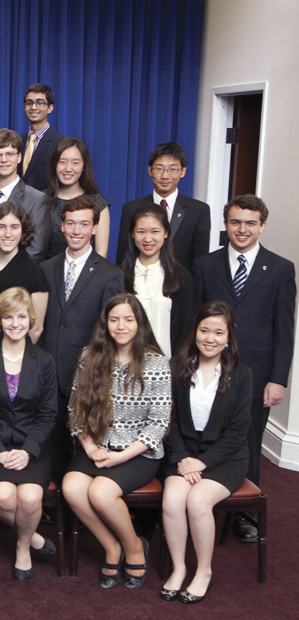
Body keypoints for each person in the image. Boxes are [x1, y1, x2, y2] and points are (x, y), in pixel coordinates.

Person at [193, 194, 296, 542]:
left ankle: (241, 513)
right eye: (236, 221)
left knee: (248, 443)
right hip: (209, 369)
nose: (242, 229)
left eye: (250, 223)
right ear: (225, 224)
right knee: (208, 435)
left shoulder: (281, 269)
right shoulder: (205, 264)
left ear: (262, 226)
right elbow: (195, 321)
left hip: (257, 371)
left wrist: (278, 379)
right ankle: (204, 500)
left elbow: (285, 329)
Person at [62, 293, 171, 590]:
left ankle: (135, 546)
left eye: (128, 319)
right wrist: (90, 448)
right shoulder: (90, 356)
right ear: (105, 323)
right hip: (96, 446)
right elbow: (75, 408)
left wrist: (120, 457)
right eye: (114, 319)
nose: (120, 326)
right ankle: (111, 546)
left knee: (100, 493)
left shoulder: (156, 363)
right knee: (71, 487)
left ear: (139, 323)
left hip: (138, 452)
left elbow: (159, 423)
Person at [161, 301, 251, 604]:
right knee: (173, 499)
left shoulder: (242, 375)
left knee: (198, 502)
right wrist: (185, 458)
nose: (210, 338)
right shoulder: (176, 367)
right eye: (204, 330)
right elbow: (168, 421)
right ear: (195, 331)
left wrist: (202, 461)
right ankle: (178, 568)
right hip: (184, 452)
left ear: (228, 337)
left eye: (218, 332)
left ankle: (203, 572)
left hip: (226, 458)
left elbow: (238, 433)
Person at [0, 287, 58, 580]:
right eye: (8, 317)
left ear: (30, 319)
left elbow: (47, 415)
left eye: (21, 316)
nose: (15, 323)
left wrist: (27, 450)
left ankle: (22, 549)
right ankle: (34, 539)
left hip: (31, 450)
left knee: (31, 499)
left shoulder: (44, 360)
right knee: (5, 498)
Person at [39, 196, 125, 482]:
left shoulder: (110, 274)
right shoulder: (46, 268)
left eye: (84, 224)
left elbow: (111, 330)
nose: (77, 230)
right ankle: (54, 506)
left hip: (87, 374)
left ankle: (74, 506)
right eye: (71, 223)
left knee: (81, 447)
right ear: (62, 226)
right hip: (49, 371)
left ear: (95, 228)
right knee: (50, 443)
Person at [116, 143, 210, 271]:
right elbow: (124, 255)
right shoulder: (131, 209)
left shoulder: (199, 211)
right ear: (150, 170)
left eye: (172, 169)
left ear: (183, 171)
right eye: (159, 169)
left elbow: (200, 259)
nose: (165, 176)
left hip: (181, 285)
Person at [120, 203, 195, 357]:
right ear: (133, 234)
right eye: (141, 231)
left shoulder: (181, 277)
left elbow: (187, 329)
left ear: (166, 233)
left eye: (155, 231)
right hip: (126, 367)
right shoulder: (119, 275)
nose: (148, 239)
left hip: (167, 369)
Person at [0, 202, 49, 350]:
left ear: (23, 231)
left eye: (14, 227)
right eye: (1, 227)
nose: (7, 234)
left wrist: (15, 358)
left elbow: (36, 329)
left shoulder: (34, 274)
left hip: (15, 355)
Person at [0, 129, 50, 264]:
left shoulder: (37, 200)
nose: (4, 160)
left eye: (10, 154)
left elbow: (35, 252)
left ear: (19, 157)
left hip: (17, 280)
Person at [43, 137, 111, 259]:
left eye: (75, 163)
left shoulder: (98, 203)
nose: (68, 169)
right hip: (46, 273)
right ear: (55, 165)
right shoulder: (42, 201)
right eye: (62, 162)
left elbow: (101, 253)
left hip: (85, 275)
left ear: (84, 166)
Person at [18, 84, 64, 193]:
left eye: (40, 103)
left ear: (50, 108)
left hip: (46, 206)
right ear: (24, 107)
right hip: (17, 207)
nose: (34, 107)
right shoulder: (18, 141)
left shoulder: (60, 143)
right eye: (29, 103)